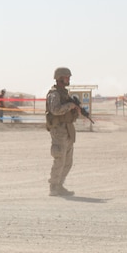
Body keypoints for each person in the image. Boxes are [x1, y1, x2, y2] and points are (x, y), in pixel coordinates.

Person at [46, 66, 80, 197]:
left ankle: (60, 185)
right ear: (60, 78)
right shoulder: (54, 94)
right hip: (58, 130)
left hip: (68, 130)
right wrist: (70, 106)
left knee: (68, 162)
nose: (69, 79)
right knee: (60, 159)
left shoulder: (65, 94)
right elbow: (55, 110)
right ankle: (53, 186)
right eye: (67, 77)